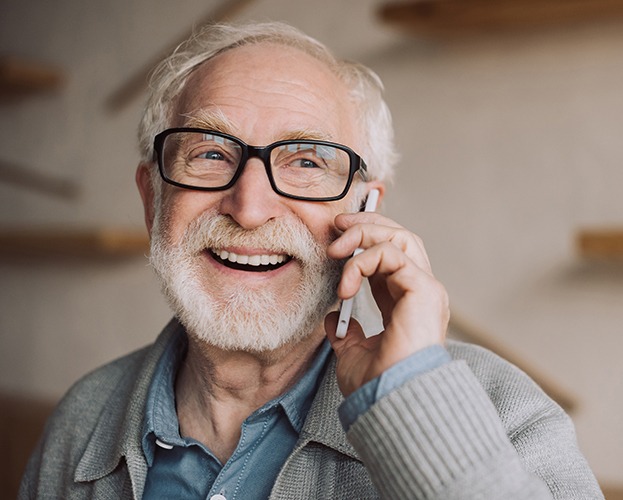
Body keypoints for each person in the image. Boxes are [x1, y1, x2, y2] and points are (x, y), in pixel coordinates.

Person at [19, 21, 603, 500]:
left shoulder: (506, 411)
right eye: (210, 153)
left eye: (305, 163)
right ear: (154, 201)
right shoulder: (82, 419)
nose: (249, 208)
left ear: (367, 208)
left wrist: (411, 400)